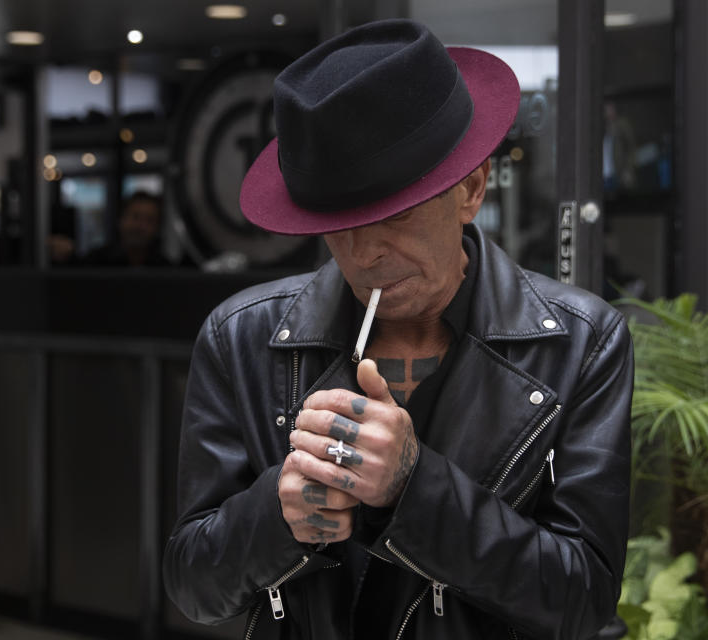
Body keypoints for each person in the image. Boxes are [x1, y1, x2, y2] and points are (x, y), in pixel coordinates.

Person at [163, 20, 633, 640]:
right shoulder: (242, 337)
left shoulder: (580, 342)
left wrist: (415, 486)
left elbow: (584, 600)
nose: (364, 253)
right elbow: (195, 587)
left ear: (470, 189)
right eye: (337, 221)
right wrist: (278, 516)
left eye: (394, 214)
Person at [81, 191, 173, 267]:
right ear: (121, 219)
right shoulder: (95, 263)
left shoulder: (165, 269)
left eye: (149, 220)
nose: (140, 226)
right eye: (135, 217)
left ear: (157, 228)